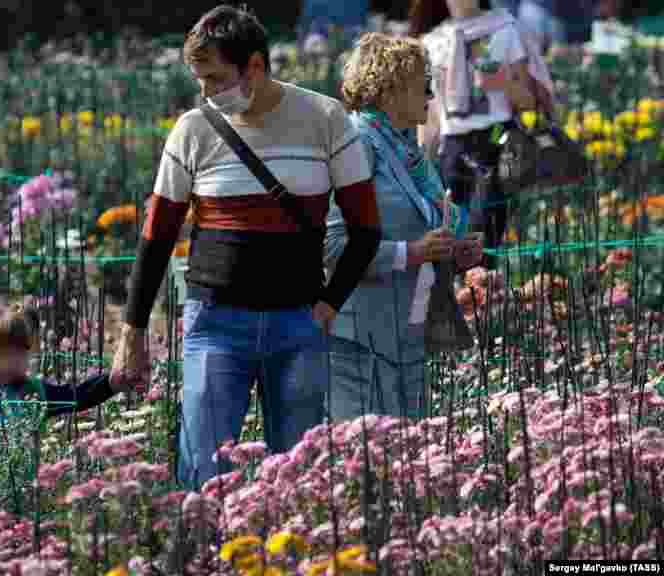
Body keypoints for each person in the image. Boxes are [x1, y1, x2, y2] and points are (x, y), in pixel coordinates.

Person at [110, 4, 382, 490]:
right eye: (199, 80)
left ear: (255, 65)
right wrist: (132, 332)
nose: (206, 92)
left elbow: (366, 228)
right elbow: (157, 236)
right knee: (204, 474)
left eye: (215, 78)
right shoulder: (193, 129)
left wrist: (329, 303)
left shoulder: (325, 119)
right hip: (215, 323)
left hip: (298, 323)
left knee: (299, 477)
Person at [325, 33, 483, 421]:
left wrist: (453, 251)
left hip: (408, 334)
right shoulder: (356, 144)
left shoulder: (407, 152)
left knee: (408, 466)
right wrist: (413, 253)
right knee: (367, 464)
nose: (431, 96)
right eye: (423, 85)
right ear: (391, 90)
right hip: (361, 338)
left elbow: (423, 226)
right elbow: (330, 246)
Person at [411, 0, 554, 268]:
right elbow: (428, 116)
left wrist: (502, 82)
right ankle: (459, 298)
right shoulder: (433, 41)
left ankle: (484, 296)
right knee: (449, 235)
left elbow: (527, 100)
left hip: (495, 138)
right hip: (452, 145)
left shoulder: (505, 29)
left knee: (486, 233)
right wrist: (420, 163)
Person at [0, 303, 123, 430]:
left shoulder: (32, 391)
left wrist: (111, 382)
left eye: (20, 352)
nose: (12, 362)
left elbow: (76, 395)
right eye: (2, 354)